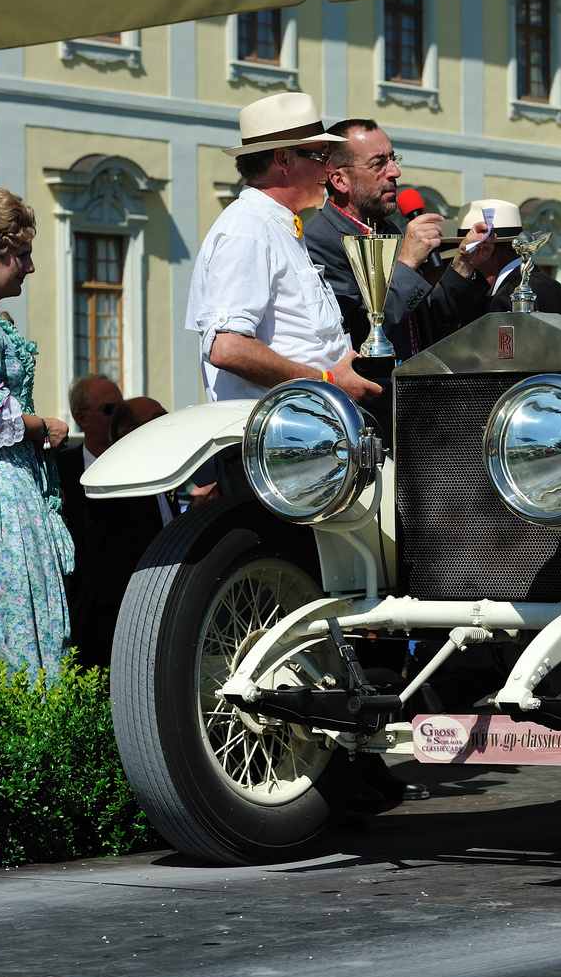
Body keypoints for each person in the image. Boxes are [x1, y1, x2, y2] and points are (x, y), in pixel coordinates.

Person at [185, 93, 382, 405]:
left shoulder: (275, 227)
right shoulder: (248, 230)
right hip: (276, 443)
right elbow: (228, 348)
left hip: (299, 436)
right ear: (283, 160)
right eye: (321, 155)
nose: (330, 168)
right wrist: (329, 382)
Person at [0, 187, 74, 678]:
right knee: (11, 643)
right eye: (22, 254)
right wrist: (42, 426)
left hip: (6, 488)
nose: (30, 267)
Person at [304, 119, 498, 359]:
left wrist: (464, 264)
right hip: (372, 393)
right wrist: (406, 263)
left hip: (414, 388)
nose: (395, 172)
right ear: (339, 180)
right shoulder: (319, 241)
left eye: (394, 159)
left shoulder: (389, 230)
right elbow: (359, 335)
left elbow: (429, 326)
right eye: (378, 164)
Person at [71, 396, 172, 670]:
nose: (169, 422)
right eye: (158, 418)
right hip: (118, 614)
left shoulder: (161, 475)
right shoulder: (115, 475)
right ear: (130, 430)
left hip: (157, 607)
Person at [55, 373, 122, 635]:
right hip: (76, 608)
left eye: (122, 409)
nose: (118, 417)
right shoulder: (60, 471)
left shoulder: (140, 466)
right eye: (109, 410)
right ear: (82, 418)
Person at [460, 200, 561, 315]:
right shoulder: (560, 291)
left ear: (492, 254)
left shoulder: (508, 298)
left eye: (470, 255)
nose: (468, 266)